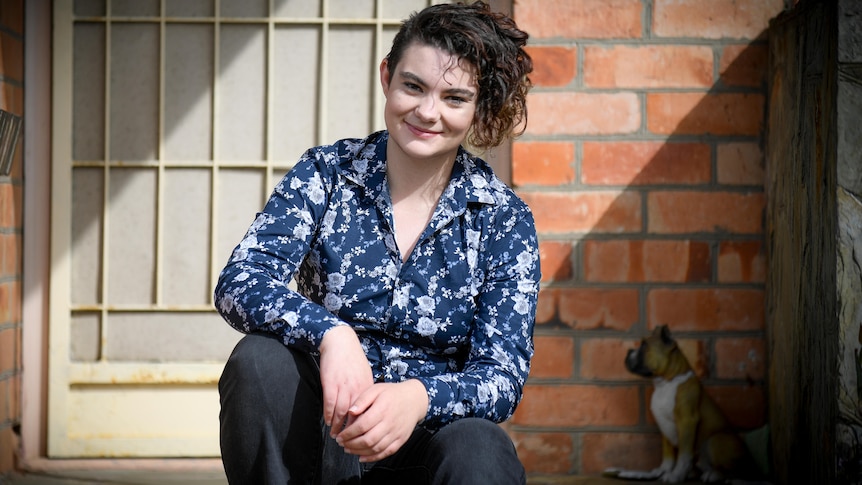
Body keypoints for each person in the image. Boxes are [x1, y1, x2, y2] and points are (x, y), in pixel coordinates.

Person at [214, 2, 540, 483]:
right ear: (387, 77)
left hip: (429, 445)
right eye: (414, 86)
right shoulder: (326, 174)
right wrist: (331, 335)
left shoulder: (505, 220)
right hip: (321, 434)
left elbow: (502, 374)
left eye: (454, 98)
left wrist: (419, 397)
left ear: (477, 106)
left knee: (482, 448)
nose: (428, 112)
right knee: (259, 363)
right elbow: (240, 280)